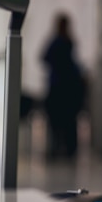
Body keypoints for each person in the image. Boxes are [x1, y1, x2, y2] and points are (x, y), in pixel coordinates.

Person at [41, 12, 86, 159]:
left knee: (56, 122)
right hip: (67, 89)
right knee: (67, 122)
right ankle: (68, 151)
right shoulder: (67, 42)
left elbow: (44, 58)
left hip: (58, 88)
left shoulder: (57, 42)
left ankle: (56, 150)